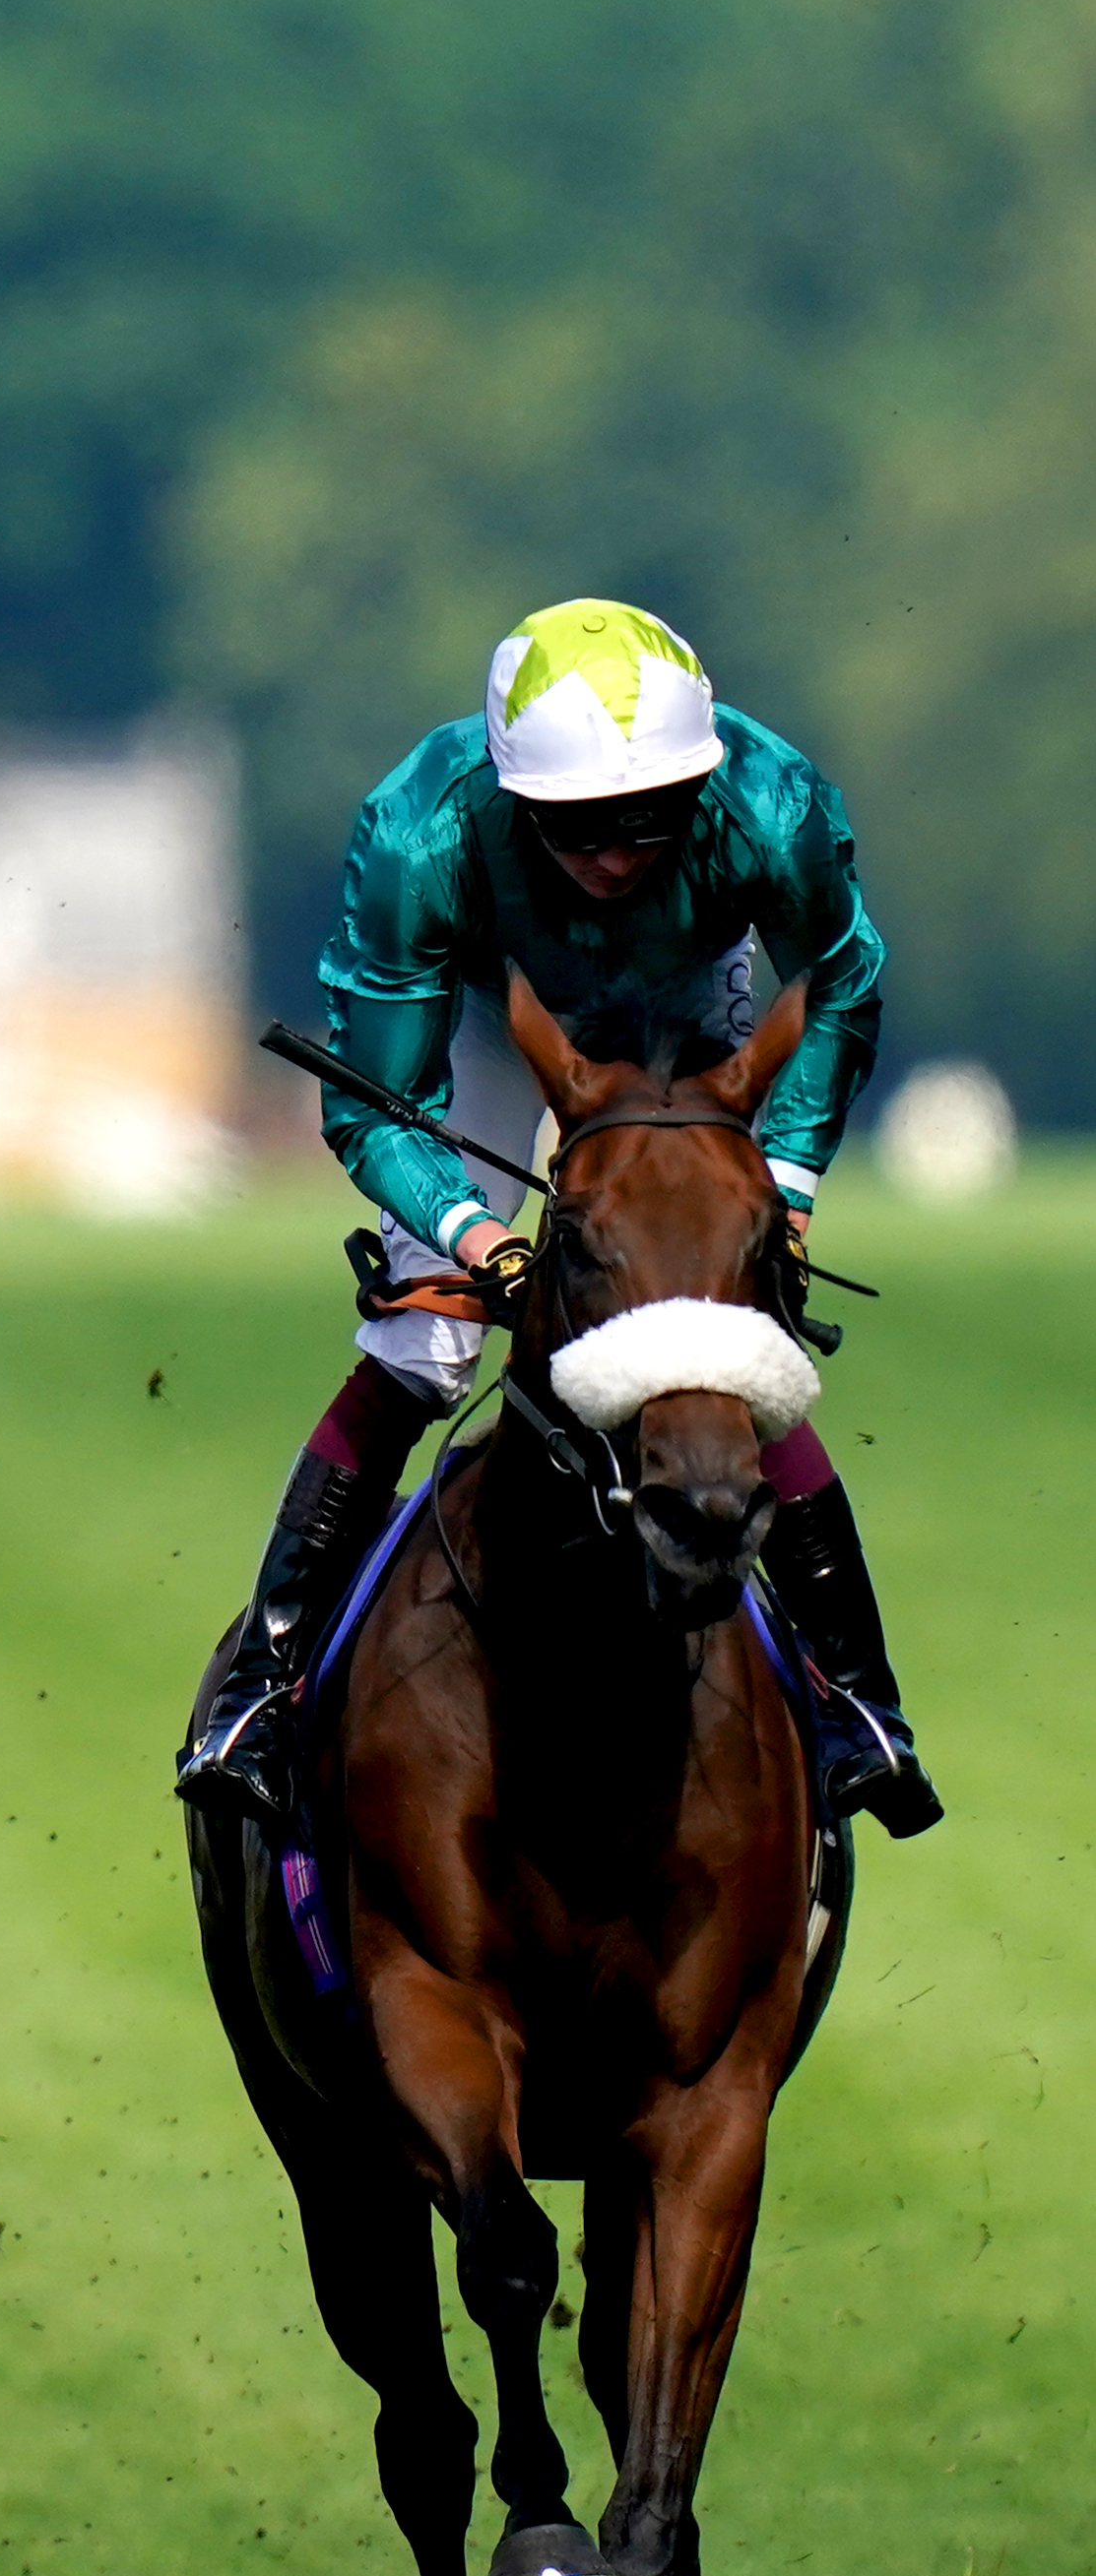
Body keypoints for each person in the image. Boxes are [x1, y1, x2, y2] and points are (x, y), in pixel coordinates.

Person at [173, 597, 939, 1837]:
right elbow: (379, 1111)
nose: (615, 853)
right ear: (513, 796)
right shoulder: (418, 833)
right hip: (503, 1010)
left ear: (701, 785)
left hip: (701, 1008)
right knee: (426, 1346)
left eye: (650, 817)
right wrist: (479, 1240)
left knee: (724, 1344)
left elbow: (841, 985)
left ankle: (858, 1706)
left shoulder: (775, 809)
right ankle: (258, 1689)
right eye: (576, 826)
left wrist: (784, 1189)